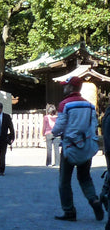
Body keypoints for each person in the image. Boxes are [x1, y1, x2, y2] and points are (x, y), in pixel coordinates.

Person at [52, 76, 104, 222]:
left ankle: (69, 211)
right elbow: (93, 125)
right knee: (85, 177)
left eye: (65, 86)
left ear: (70, 88)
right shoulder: (89, 105)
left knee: (64, 180)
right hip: (86, 147)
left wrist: (52, 133)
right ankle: (94, 200)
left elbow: (59, 127)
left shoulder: (64, 104)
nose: (63, 88)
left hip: (70, 147)